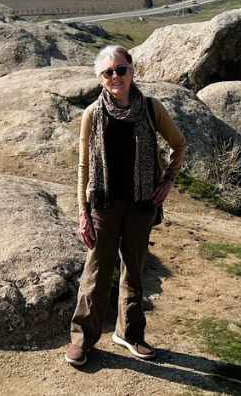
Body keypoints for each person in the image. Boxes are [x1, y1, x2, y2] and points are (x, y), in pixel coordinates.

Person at [65, 45, 186, 367]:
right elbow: (83, 167)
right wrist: (82, 212)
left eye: (121, 69)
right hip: (103, 204)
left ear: (132, 71)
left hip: (141, 204)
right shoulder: (92, 114)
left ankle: (130, 334)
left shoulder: (150, 108)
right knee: (96, 273)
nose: (116, 76)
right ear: (100, 78)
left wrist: (167, 180)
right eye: (108, 72)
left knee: (133, 270)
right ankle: (82, 339)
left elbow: (179, 145)